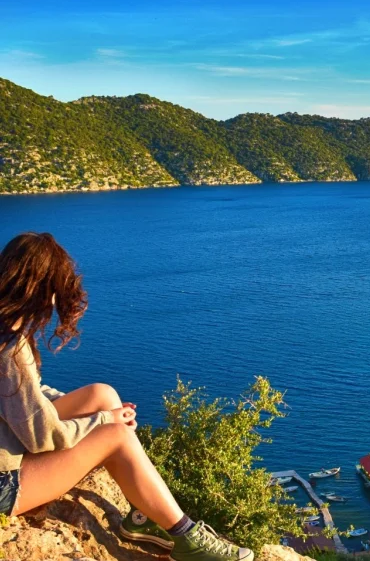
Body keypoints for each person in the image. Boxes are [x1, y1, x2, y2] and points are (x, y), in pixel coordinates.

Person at [0, 232, 252, 561]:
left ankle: (141, 515)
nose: (54, 303)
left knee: (102, 394)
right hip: (6, 486)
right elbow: (43, 437)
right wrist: (103, 421)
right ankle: (187, 538)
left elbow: (22, 394)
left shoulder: (6, 329)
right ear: (39, 287)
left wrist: (93, 410)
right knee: (116, 435)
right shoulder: (10, 348)